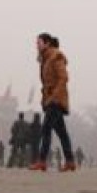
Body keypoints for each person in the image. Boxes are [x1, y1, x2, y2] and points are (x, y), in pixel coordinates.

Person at [30, 33, 76, 172]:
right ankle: (70, 162)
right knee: (61, 132)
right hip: (50, 99)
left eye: (39, 42)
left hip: (56, 100)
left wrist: (54, 96)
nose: (36, 45)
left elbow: (64, 78)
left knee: (45, 129)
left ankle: (42, 161)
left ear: (47, 43)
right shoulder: (45, 59)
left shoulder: (56, 56)